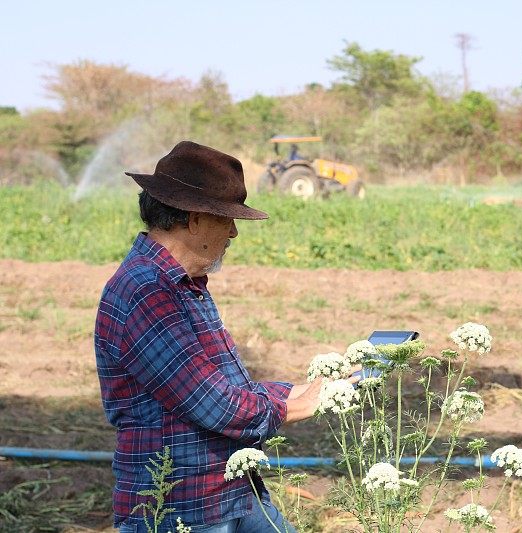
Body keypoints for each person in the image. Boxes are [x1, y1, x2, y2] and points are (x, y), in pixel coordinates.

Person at [94, 141, 357, 532]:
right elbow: (212, 402)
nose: (233, 232)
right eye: (226, 219)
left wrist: (298, 390)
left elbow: (223, 385)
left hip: (229, 493)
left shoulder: (185, 282)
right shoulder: (145, 291)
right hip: (179, 508)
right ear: (195, 218)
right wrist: (297, 407)